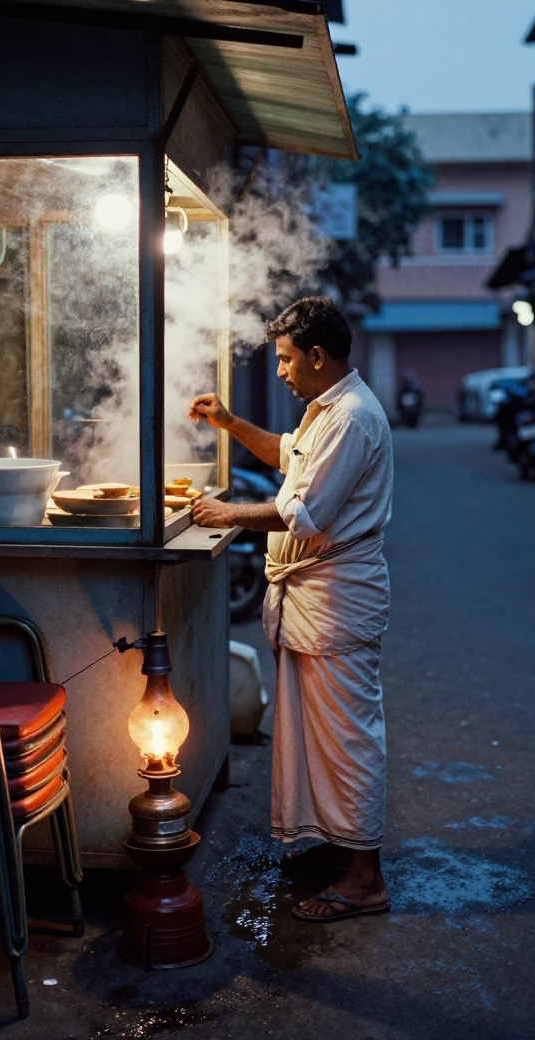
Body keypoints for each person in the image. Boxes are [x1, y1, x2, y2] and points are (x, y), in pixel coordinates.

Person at [188, 296, 393, 923]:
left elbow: (305, 512)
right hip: (313, 599)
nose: (280, 369)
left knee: (347, 738)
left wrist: (229, 514)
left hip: (335, 600)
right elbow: (289, 458)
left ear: (317, 355)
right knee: (317, 735)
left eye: (284, 359)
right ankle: (339, 847)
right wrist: (229, 423)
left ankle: (365, 879)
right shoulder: (326, 410)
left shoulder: (352, 416)